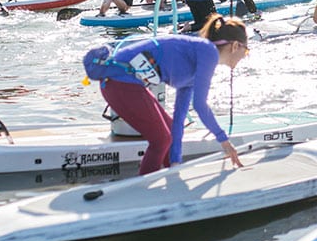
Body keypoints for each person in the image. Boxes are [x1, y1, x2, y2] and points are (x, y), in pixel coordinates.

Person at [82, 14, 249, 175]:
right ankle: (143, 189)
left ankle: (172, 175)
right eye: (246, 51)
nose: (245, 56)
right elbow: (200, 105)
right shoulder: (208, 51)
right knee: (161, 140)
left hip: (121, 86)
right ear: (235, 46)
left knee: (169, 129)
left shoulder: (196, 63)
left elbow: (179, 117)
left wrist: (175, 161)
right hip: (120, 84)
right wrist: (224, 141)